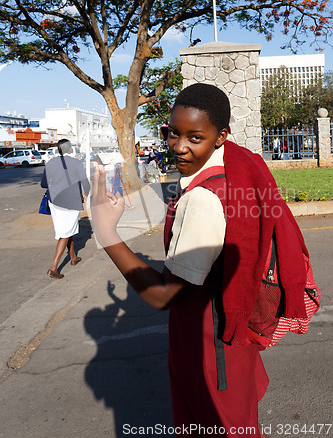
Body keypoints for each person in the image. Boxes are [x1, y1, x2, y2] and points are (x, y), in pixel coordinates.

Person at [91, 83, 308, 437]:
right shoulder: (235, 165)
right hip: (231, 336)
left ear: (221, 136)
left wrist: (106, 233)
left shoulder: (203, 200)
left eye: (195, 137)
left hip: (210, 344)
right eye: (173, 133)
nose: (179, 146)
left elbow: (163, 295)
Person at [41, 139, 90, 279]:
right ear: (70, 149)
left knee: (68, 229)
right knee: (65, 233)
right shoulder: (76, 162)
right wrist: (85, 194)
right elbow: (85, 182)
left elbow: (44, 183)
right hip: (70, 201)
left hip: (54, 201)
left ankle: (73, 257)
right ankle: (53, 268)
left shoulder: (50, 162)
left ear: (58, 149)